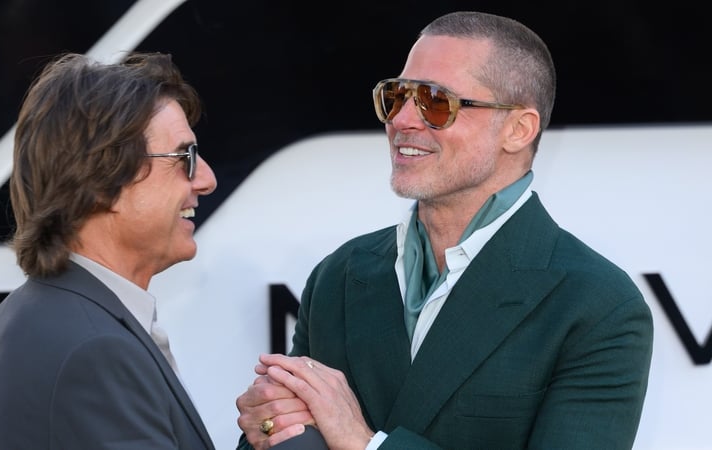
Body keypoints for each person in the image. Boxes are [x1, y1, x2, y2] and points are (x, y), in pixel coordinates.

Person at [235, 11, 653, 450]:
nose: (402, 121)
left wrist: (365, 443)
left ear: (518, 129)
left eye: (436, 102)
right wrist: (267, 427)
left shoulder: (596, 305)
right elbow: (280, 438)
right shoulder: (339, 275)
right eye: (395, 97)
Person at [0, 52, 217, 449]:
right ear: (105, 181)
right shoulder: (96, 348)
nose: (206, 179)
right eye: (184, 157)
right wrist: (298, 435)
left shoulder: (41, 311)